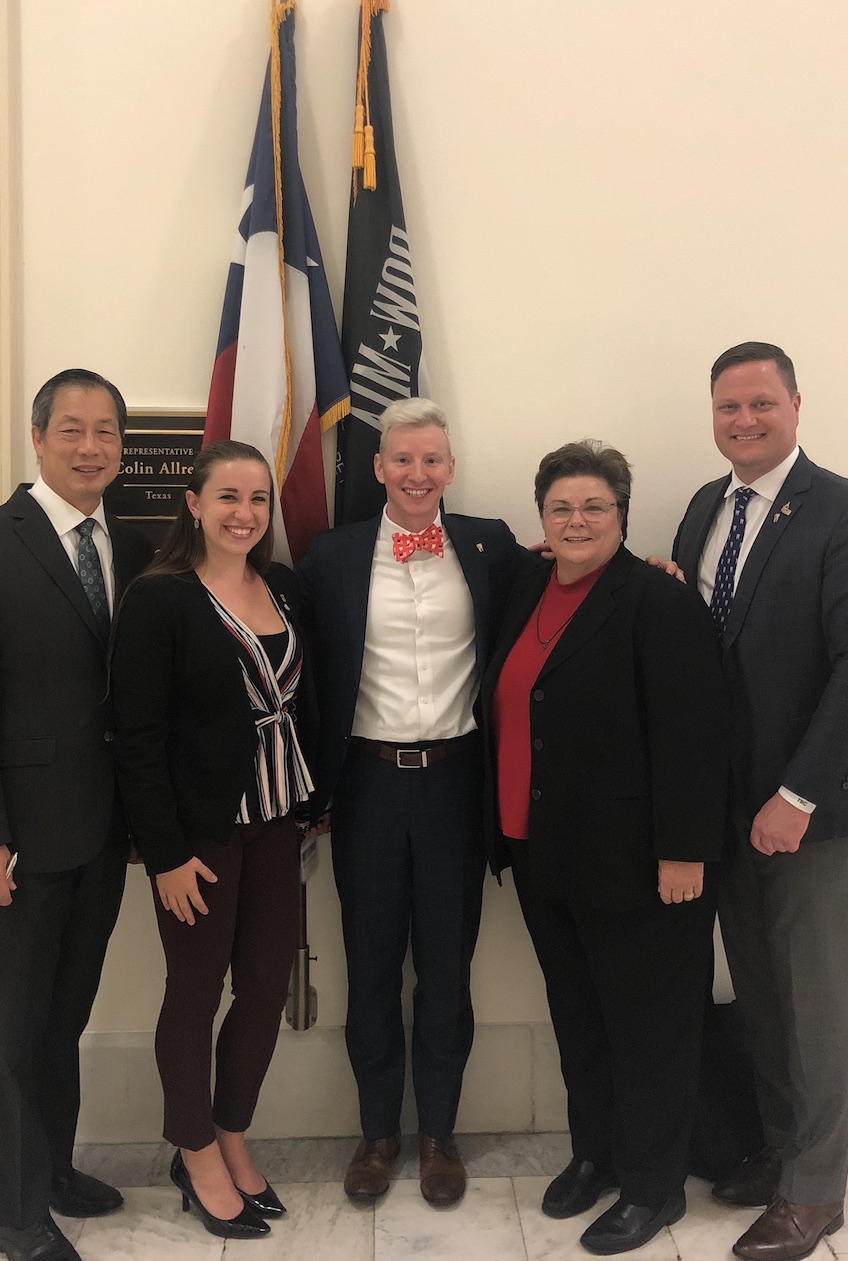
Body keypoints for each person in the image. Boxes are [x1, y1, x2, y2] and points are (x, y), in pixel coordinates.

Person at [669, 343, 848, 1261]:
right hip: (730, 804)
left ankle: (818, 1191)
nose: (744, 421)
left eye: (761, 404)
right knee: (763, 992)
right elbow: (713, 634)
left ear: (797, 406)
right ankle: (780, 1147)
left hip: (817, 804)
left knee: (816, 997)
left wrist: (798, 792)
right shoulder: (707, 506)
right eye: (729, 407)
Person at [0, 369, 155, 1261]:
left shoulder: (132, 549)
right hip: (12, 844)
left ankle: (52, 1170)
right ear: (38, 437)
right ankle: (14, 1214)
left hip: (98, 838)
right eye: (72, 430)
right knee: (12, 1029)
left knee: (64, 1017)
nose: (90, 446)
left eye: (106, 432)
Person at [480, 440, 730, 1254]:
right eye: (562, 507)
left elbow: (694, 736)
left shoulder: (658, 602)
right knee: (578, 1013)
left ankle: (655, 1187)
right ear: (541, 520)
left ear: (622, 514)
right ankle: (597, 1151)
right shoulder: (527, 586)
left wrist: (685, 850)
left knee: (648, 1024)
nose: (577, 520)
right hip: (542, 851)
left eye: (595, 506)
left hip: (639, 862)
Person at [294, 399, 527, 1205]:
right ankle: (375, 1133)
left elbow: (574, 574)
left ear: (449, 468)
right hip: (366, 786)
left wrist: (657, 570)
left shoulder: (490, 543)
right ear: (380, 468)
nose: (418, 474)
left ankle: (438, 1134)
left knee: (448, 969)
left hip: (459, 784)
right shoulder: (332, 554)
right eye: (403, 460)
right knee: (369, 967)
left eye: (432, 460)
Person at [110, 440, 316, 1241]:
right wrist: (162, 853)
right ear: (192, 503)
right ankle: (192, 1147)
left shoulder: (285, 589)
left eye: (258, 499)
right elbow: (136, 738)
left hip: (276, 824)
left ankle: (232, 1130)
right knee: (194, 994)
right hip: (197, 836)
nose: (245, 513)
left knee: (265, 988)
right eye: (228, 496)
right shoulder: (160, 599)